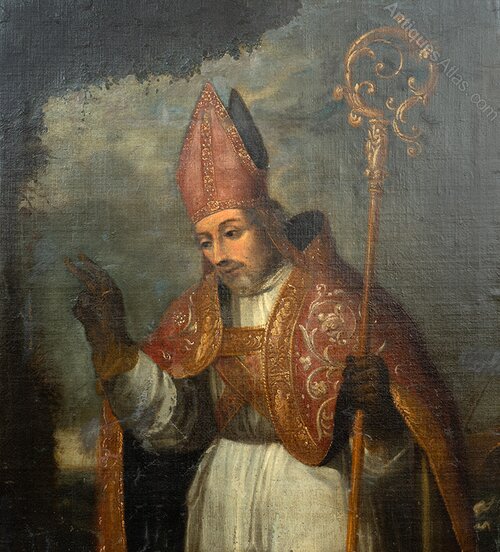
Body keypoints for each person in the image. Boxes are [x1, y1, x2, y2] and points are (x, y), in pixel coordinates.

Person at [66, 83, 475, 552]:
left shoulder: (344, 305)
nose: (219, 255)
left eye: (231, 232)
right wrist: (116, 349)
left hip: (316, 502)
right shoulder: (198, 311)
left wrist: (381, 416)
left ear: (268, 223)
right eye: (205, 241)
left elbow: (409, 451)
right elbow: (176, 428)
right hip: (221, 501)